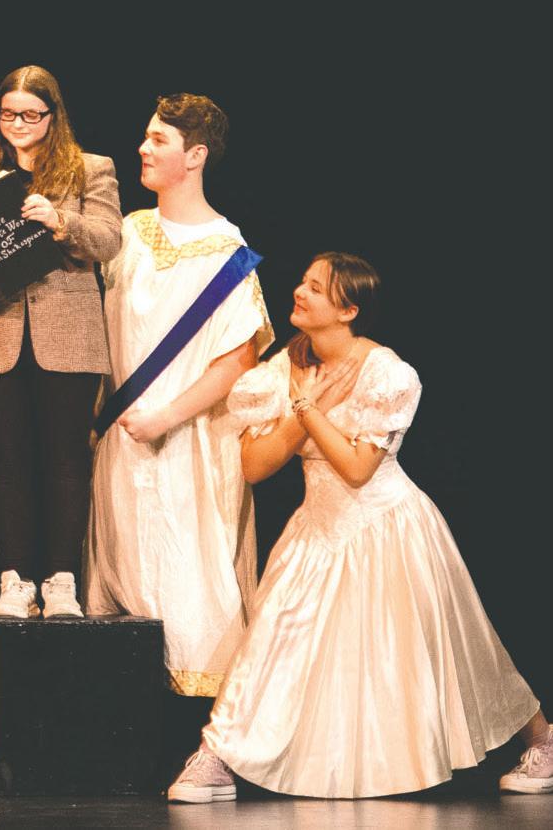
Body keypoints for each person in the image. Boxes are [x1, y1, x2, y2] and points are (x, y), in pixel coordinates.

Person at [166, 254, 548, 801]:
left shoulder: (386, 374)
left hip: (388, 525)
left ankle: (542, 738)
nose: (299, 292)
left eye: (316, 288)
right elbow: (254, 466)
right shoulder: (283, 368)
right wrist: (302, 410)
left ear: (348, 310)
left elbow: (357, 468)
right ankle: (217, 756)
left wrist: (308, 410)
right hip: (318, 529)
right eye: (303, 282)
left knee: (462, 648)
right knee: (272, 641)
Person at [84, 94, 269, 696]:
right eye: (146, 135)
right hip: (120, 440)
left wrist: (166, 415)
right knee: (122, 568)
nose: (142, 148)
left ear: (196, 156)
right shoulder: (128, 233)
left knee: (189, 576)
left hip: (190, 444)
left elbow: (237, 359)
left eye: (159, 140)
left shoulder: (227, 251)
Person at [0, 67, 121, 619]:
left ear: (52, 115)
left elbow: (109, 240)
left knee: (66, 459)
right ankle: (15, 579)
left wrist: (60, 220)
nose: (18, 124)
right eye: (8, 114)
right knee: (10, 462)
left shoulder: (90, 168)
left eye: (30, 114)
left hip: (68, 334)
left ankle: (62, 579)